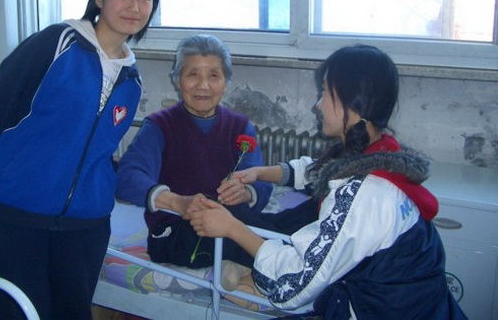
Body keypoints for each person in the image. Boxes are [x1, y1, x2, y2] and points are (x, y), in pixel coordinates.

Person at [189, 44, 466, 319]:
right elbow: (321, 171)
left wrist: (233, 228)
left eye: (324, 93)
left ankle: (242, 262)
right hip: (417, 301)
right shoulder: (381, 153)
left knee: (247, 220)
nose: (318, 105)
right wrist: (260, 172)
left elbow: (294, 286)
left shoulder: (365, 195)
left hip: (383, 310)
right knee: (279, 218)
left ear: (352, 105)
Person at [0, 0, 160, 320]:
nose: (135, 7)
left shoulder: (131, 80)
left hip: (85, 228)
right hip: (16, 218)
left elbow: (100, 150)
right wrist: (15, 170)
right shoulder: (57, 42)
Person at [115, 34, 274, 271]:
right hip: (177, 230)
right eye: (192, 74)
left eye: (214, 75)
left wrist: (246, 192)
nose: (203, 85)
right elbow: (127, 177)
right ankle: (259, 265)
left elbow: (259, 180)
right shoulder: (160, 126)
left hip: (228, 222)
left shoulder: (240, 126)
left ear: (226, 82)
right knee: (265, 239)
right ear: (177, 80)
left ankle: (246, 266)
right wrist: (178, 203)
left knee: (294, 222)